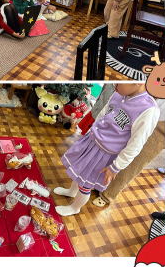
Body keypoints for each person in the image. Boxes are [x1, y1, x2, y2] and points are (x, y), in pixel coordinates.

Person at [56, 82, 159, 216]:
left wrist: (115, 167)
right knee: (80, 170)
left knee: (85, 184)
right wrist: (93, 129)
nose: (114, 84)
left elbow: (136, 144)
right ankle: (72, 191)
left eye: (119, 81)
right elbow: (104, 113)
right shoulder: (119, 92)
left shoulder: (148, 110)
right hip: (93, 140)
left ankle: (75, 207)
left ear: (137, 82)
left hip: (105, 154)